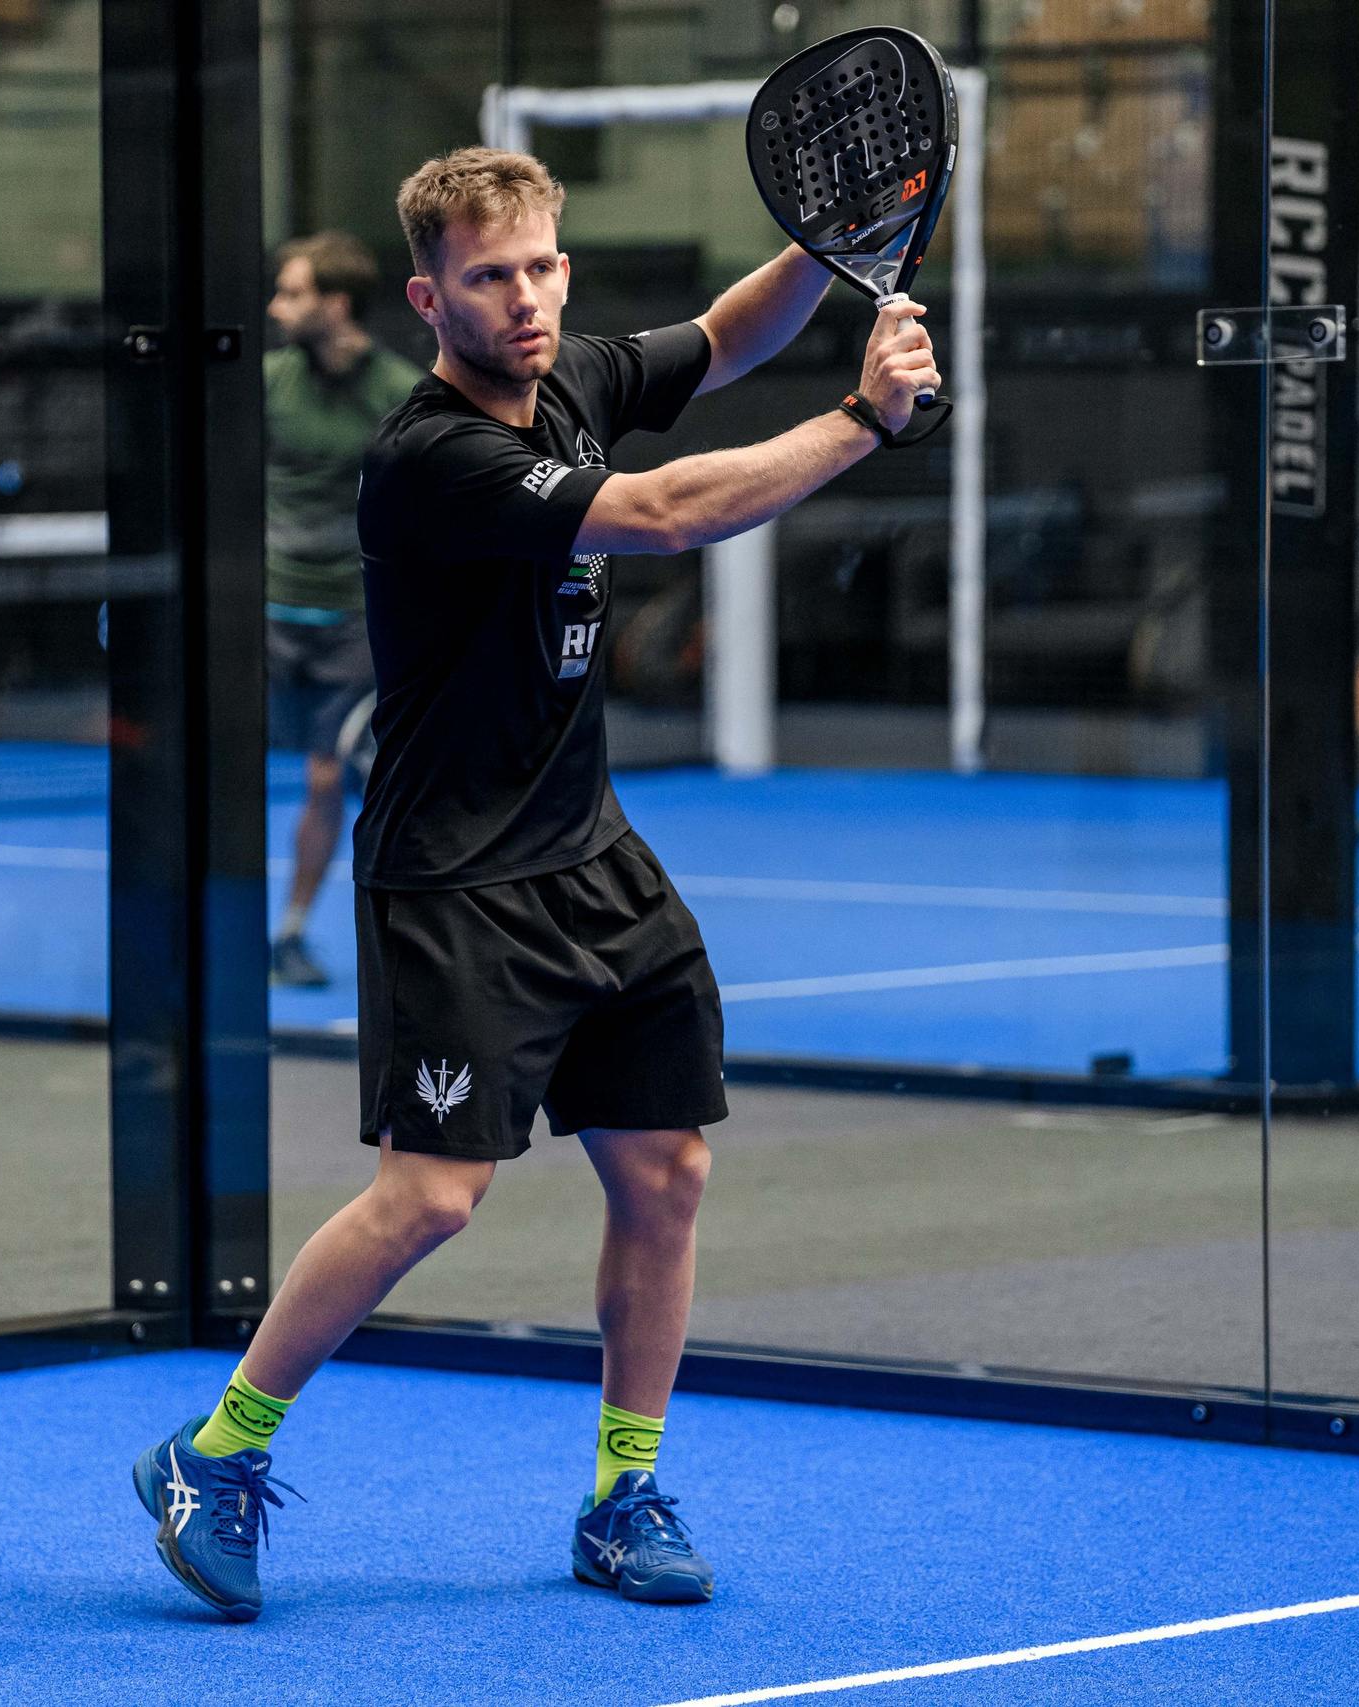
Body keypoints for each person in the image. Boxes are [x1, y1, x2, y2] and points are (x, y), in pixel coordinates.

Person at [133, 147, 939, 1620]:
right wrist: (860, 422)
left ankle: (622, 1497)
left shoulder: (572, 373)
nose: (524, 298)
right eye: (490, 276)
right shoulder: (431, 458)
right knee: (431, 1197)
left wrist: (827, 249)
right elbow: (672, 510)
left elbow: (728, 335)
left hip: (593, 856)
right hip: (454, 880)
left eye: (542, 267)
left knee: (667, 1169)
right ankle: (217, 1448)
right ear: (428, 296)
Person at [262, 232, 427, 988]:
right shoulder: (265, 383)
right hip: (266, 614)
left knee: (327, 779)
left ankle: (290, 933)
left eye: (292, 293)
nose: (276, 307)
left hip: (355, 620)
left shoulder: (400, 392)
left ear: (335, 304)